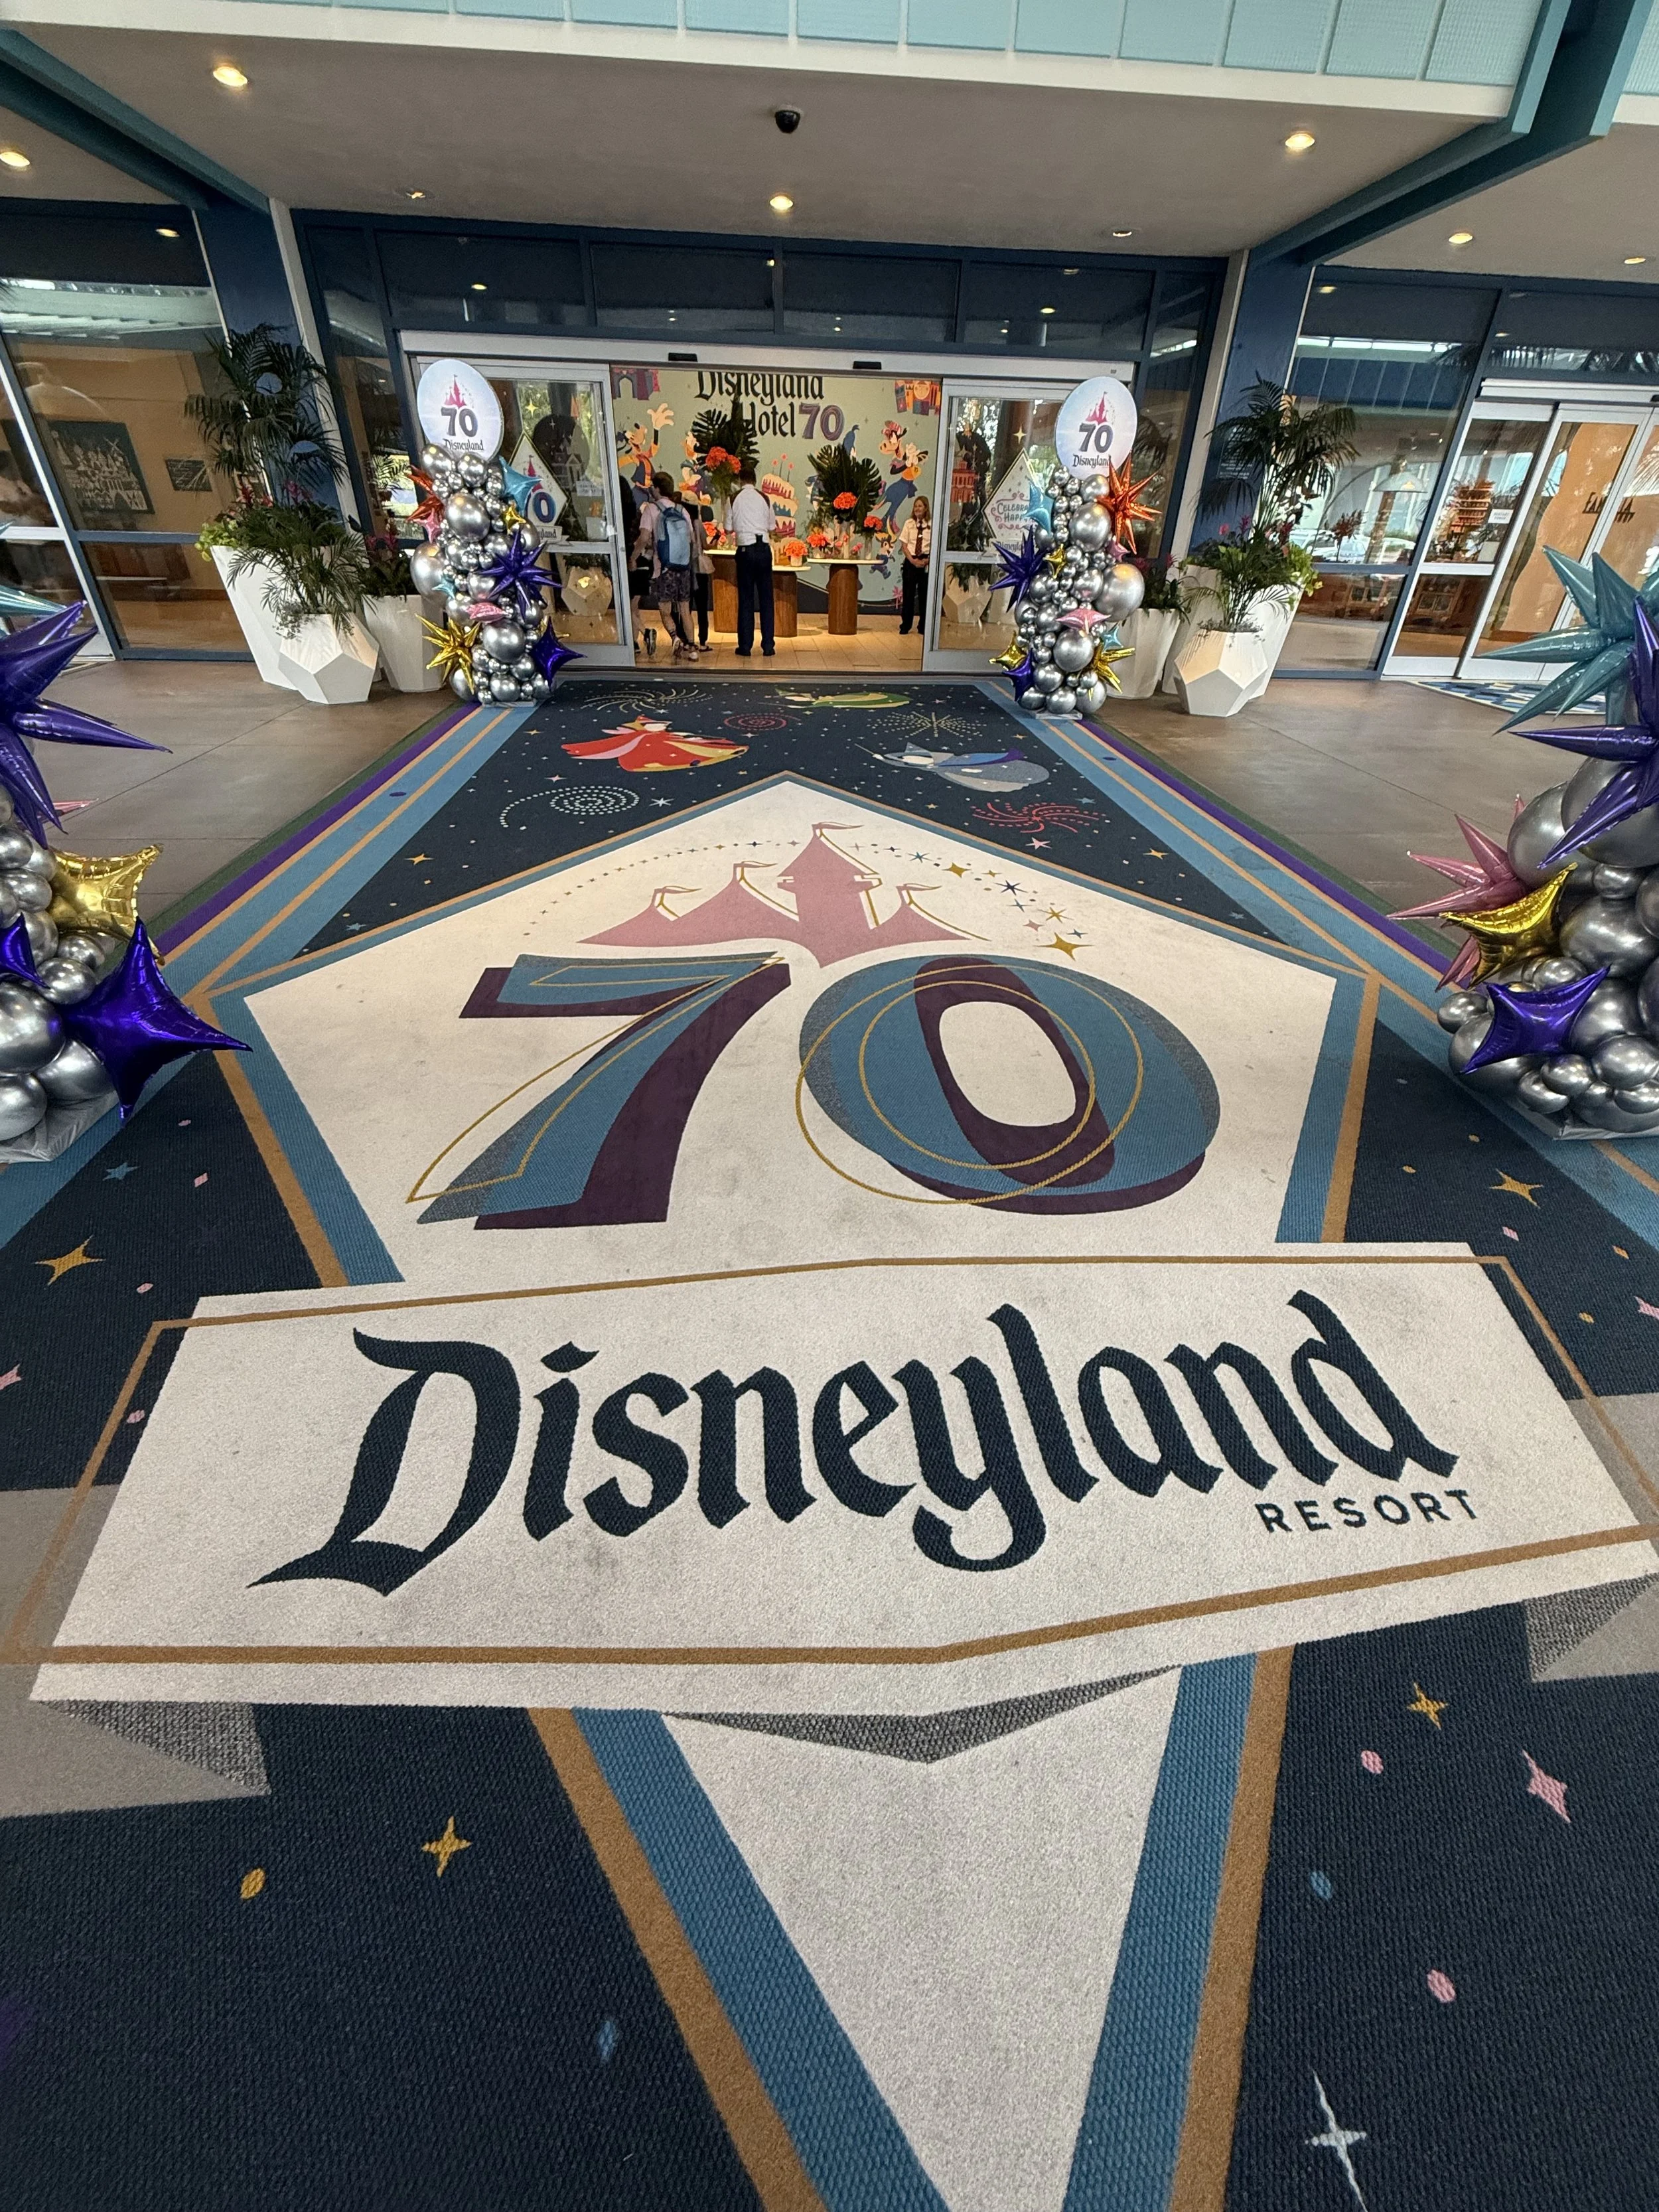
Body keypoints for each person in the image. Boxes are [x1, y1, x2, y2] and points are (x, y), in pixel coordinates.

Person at [637, 471, 700, 660]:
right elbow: (691, 538)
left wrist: (635, 555)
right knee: (684, 608)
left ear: (657, 489)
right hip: (683, 566)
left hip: (663, 567)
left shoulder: (651, 509)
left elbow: (644, 537)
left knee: (665, 609)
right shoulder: (682, 511)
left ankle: (675, 638)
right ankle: (692, 648)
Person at [729, 460, 776, 658]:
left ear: (740, 480)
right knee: (767, 600)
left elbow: (728, 527)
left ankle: (745, 646)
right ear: (755, 481)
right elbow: (772, 526)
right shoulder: (765, 498)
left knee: (746, 599)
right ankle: (768, 646)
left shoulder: (733, 498)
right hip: (764, 549)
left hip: (746, 551)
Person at [683, 483, 715, 650]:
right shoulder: (698, 524)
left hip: (684, 568)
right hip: (700, 571)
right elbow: (705, 546)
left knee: (685, 606)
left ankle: (687, 641)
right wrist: (714, 542)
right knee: (702, 607)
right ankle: (703, 642)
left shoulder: (681, 522)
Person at [898, 493, 932, 635]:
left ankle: (923, 626)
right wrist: (912, 561)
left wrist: (926, 560)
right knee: (908, 595)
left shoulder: (931, 524)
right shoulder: (909, 524)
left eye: (920, 506)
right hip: (911, 562)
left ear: (926, 508)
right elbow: (904, 545)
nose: (917, 509)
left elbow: (935, 545)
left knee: (924, 596)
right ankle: (906, 625)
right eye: (916, 506)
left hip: (926, 561)